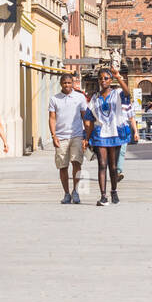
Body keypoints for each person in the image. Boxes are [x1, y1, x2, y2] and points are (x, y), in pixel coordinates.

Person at [85, 67, 127, 205]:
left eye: (106, 78)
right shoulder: (94, 99)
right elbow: (90, 120)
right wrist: (87, 138)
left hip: (115, 133)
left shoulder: (118, 94)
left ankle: (114, 190)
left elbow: (128, 94)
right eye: (100, 78)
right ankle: (103, 196)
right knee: (102, 164)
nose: (103, 81)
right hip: (100, 134)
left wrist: (118, 77)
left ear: (111, 80)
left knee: (113, 166)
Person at [49, 72, 87, 204]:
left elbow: (85, 117)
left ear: (73, 83)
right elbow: (52, 118)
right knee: (62, 166)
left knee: (77, 163)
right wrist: (53, 135)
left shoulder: (80, 97)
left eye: (69, 83)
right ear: (61, 84)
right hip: (61, 136)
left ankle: (75, 191)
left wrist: (86, 136)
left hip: (76, 135)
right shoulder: (54, 99)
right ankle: (66, 193)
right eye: (64, 83)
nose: (67, 85)